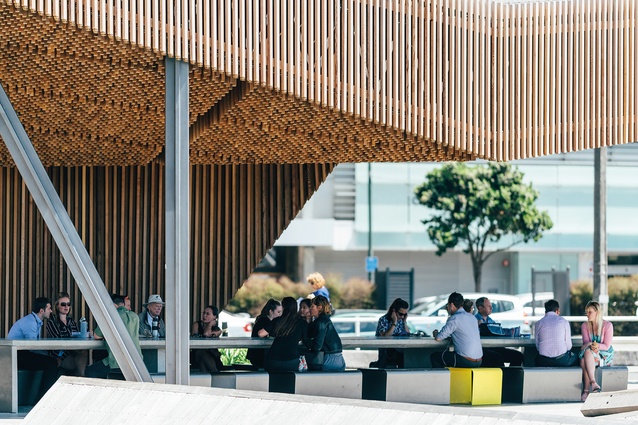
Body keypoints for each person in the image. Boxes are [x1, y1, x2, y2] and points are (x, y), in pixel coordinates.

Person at [7, 297, 60, 401]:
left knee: (51, 361)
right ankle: (43, 398)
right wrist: (50, 356)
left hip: (21, 354)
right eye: (49, 308)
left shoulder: (35, 320)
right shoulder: (30, 323)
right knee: (52, 363)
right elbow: (32, 347)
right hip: (16, 356)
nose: (51, 311)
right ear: (41, 310)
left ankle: (43, 396)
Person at [85, 294, 142, 378]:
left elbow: (96, 336)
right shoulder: (135, 316)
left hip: (117, 363)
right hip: (137, 362)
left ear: (113, 305)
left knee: (89, 371)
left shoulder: (110, 317)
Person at [430, 292, 483, 368]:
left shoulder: (455, 318)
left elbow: (439, 338)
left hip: (466, 361)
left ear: (451, 305)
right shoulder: (473, 318)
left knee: (435, 357)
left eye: (448, 306)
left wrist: (435, 333)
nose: (447, 308)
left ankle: (441, 380)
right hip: (479, 361)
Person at [45, 291, 89, 376]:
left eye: (68, 304)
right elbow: (57, 343)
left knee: (83, 353)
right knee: (81, 358)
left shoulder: (71, 321)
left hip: (72, 352)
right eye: (63, 304)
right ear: (57, 306)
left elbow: (76, 337)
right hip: (60, 355)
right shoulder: (52, 322)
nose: (66, 307)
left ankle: (81, 377)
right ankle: (82, 378)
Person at [579, 300, 613, 401]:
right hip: (590, 353)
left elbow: (606, 346)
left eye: (590, 312)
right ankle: (593, 383)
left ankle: (586, 391)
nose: (587, 314)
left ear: (597, 313)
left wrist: (596, 346)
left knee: (583, 360)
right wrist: (591, 345)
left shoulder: (608, 326)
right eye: (586, 312)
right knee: (586, 354)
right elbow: (585, 344)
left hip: (604, 355)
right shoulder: (585, 326)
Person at [475, 296, 523, 367]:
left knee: (518, 356)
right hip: (482, 349)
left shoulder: (491, 321)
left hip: (496, 347)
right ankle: (504, 377)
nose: (491, 308)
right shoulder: (474, 320)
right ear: (480, 308)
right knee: (497, 358)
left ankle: (512, 375)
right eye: (488, 306)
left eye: (491, 306)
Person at [264, 297, 308, 372]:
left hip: (274, 359)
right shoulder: (302, 323)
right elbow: (306, 340)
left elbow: (261, 333)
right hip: (292, 360)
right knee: (290, 379)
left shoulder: (277, 320)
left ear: (283, 307)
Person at [302, 295, 346, 371]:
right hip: (338, 358)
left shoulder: (321, 323)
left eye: (312, 306)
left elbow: (317, 346)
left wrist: (305, 340)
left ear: (319, 307)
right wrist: (308, 320)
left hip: (330, 359)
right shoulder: (323, 320)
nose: (310, 309)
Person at [534, 299, 578, 367]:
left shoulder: (538, 323)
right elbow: (569, 346)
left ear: (545, 311)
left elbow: (537, 345)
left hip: (543, 361)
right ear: (557, 311)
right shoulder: (564, 322)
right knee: (576, 357)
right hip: (562, 360)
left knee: (536, 358)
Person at [372, 298, 411, 368]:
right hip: (387, 350)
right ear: (394, 311)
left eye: (405, 315)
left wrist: (404, 322)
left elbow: (407, 333)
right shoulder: (383, 320)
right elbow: (385, 336)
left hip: (399, 349)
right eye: (400, 314)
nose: (402, 317)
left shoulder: (401, 320)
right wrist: (394, 323)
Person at [246, 299, 282, 369]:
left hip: (256, 354)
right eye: (278, 312)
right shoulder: (265, 322)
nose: (280, 314)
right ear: (271, 311)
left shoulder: (262, 320)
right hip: (259, 355)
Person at [191, 305, 224, 373]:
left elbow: (206, 334)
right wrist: (209, 325)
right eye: (204, 313)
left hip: (212, 355)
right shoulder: (196, 325)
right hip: (196, 354)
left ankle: (207, 381)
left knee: (202, 363)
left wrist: (210, 325)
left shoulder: (217, 329)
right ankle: (216, 375)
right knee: (201, 352)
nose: (204, 315)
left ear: (214, 317)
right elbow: (204, 335)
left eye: (207, 314)